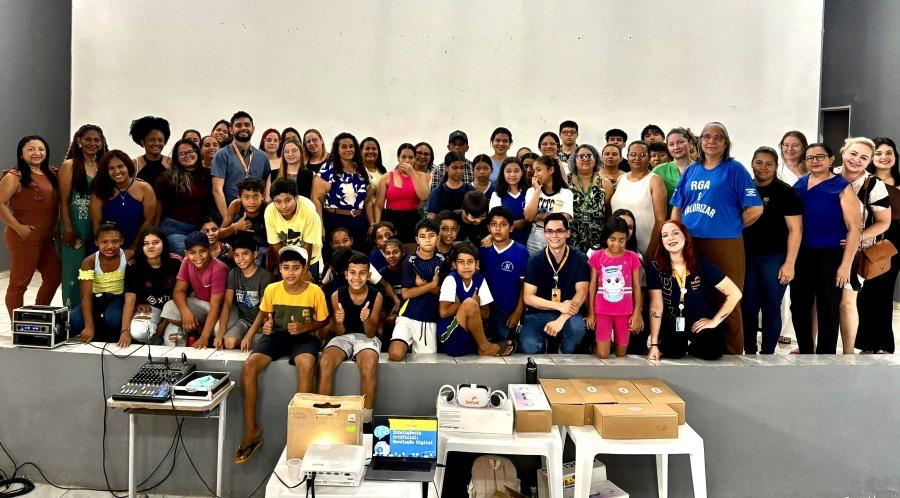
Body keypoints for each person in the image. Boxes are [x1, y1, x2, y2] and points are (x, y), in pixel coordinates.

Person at [671, 122, 763, 354]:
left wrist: (732, 225)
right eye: (707, 136)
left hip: (724, 242)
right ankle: (702, 346)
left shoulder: (735, 169)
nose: (711, 141)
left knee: (727, 296)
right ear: (699, 141)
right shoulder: (691, 170)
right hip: (691, 242)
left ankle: (733, 351)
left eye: (718, 137)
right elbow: (677, 207)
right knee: (695, 295)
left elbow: (755, 208)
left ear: (726, 143)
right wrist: (676, 234)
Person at [236, 245, 328, 464]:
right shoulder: (272, 289)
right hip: (277, 336)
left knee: (306, 365)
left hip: (304, 337)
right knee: (249, 367)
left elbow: (324, 320)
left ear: (304, 269)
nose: (290, 273)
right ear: (280, 268)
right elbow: (265, 315)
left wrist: (304, 327)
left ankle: (302, 431)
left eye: (296, 268)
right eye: (286, 268)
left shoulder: (315, 291)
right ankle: (251, 430)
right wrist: (259, 329)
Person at [791, 143, 860, 354]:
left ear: (831, 160)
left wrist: (845, 266)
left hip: (830, 255)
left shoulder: (841, 186)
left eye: (820, 157)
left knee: (828, 308)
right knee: (799, 306)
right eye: (810, 158)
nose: (815, 161)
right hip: (802, 254)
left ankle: (826, 356)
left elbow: (854, 229)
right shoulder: (799, 186)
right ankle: (805, 351)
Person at [646, 220, 741, 361]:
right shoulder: (655, 267)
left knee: (712, 352)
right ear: (662, 241)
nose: (670, 238)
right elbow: (656, 307)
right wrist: (654, 345)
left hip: (698, 322)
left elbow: (735, 293)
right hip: (673, 323)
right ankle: (679, 346)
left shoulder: (700, 263)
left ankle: (691, 346)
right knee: (672, 353)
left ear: (685, 237)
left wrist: (713, 321)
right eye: (665, 235)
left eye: (675, 233)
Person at [741, 147, 802, 354]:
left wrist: (789, 263)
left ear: (776, 167)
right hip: (747, 257)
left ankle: (768, 353)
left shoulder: (785, 192)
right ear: (752, 163)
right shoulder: (744, 188)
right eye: (759, 162)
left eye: (769, 164)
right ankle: (749, 351)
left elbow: (795, 230)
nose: (763, 167)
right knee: (748, 306)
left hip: (775, 257)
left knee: (770, 306)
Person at [836, 137, 891, 354]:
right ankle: (810, 348)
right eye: (853, 153)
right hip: (824, 247)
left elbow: (884, 222)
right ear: (843, 151)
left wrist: (857, 237)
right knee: (818, 301)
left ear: (869, 161)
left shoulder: (873, 184)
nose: (857, 160)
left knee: (847, 302)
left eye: (864, 157)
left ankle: (848, 353)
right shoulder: (829, 174)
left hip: (857, 251)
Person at [318, 252, 384, 423]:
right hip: (345, 337)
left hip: (366, 337)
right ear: (346, 274)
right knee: (326, 361)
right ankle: (324, 415)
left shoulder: (376, 296)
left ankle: (366, 420)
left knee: (368, 363)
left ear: (368, 275)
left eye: (362, 273)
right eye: (353, 273)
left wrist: (366, 320)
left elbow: (371, 333)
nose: (357, 278)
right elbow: (340, 333)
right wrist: (338, 321)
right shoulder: (336, 295)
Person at [1, 135, 60, 319]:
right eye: (31, 149)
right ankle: (18, 326)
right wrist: (19, 228)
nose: (37, 153)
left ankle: (38, 316)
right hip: (23, 237)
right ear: (21, 153)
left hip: (46, 238)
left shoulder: (52, 173)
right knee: (19, 283)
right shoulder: (14, 176)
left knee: (54, 275)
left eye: (41, 149)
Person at [520, 214, 588, 353]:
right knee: (529, 344)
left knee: (577, 328)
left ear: (568, 233)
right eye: (549, 231)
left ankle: (563, 352)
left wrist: (561, 319)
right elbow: (528, 297)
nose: (554, 235)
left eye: (559, 231)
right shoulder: (535, 260)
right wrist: (559, 306)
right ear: (544, 234)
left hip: (569, 314)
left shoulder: (580, 258)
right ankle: (542, 353)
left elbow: (582, 292)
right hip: (540, 313)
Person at [857, 137, 900, 353]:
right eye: (879, 153)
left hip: (896, 242)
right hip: (873, 238)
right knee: (866, 292)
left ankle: (883, 343)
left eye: (889, 153)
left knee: (885, 292)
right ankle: (867, 343)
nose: (884, 157)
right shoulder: (866, 181)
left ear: (895, 156)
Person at [59, 124, 107, 307]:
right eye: (88, 139)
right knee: (74, 271)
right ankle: (72, 313)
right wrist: (68, 228)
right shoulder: (70, 165)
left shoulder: (103, 166)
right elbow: (63, 200)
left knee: (95, 271)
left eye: (97, 140)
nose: (92, 143)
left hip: (97, 224)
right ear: (79, 141)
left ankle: (93, 314)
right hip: (75, 225)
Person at [438, 242, 515, 356]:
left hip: (469, 339)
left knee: (471, 305)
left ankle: (482, 347)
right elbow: (443, 312)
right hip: (450, 338)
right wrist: (467, 304)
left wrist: (471, 307)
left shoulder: (480, 279)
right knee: (470, 303)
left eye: (470, 261)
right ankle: (485, 347)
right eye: (461, 262)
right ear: (454, 265)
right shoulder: (451, 280)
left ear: (477, 264)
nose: (466, 266)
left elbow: (486, 313)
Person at [159, 231, 229, 347]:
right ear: (186, 253)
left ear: (210, 250)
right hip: (202, 305)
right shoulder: (187, 261)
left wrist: (204, 338)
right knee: (169, 307)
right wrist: (186, 313)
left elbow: (216, 306)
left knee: (218, 331)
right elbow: (178, 291)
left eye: (203, 251)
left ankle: (204, 332)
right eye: (192, 252)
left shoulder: (218, 268)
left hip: (221, 309)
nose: (198, 256)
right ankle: (199, 327)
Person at [388, 219, 445, 361]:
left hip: (428, 320)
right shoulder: (410, 261)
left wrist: (421, 284)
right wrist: (431, 285)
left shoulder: (442, 261)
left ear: (438, 237)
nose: (427, 240)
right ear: (417, 239)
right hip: (407, 316)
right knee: (395, 353)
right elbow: (406, 293)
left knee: (425, 364)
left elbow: (442, 293)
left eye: (431, 235)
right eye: (422, 236)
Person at [586, 217, 643, 358]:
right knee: (603, 354)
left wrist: (636, 313)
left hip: (625, 312)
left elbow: (637, 287)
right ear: (606, 237)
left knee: (621, 353)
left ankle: (607, 343)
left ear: (627, 238)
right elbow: (592, 285)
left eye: (621, 239)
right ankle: (596, 345)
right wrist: (591, 312)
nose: (616, 243)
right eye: (612, 239)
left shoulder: (632, 257)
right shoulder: (597, 256)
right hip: (602, 311)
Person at [118, 228, 182, 347]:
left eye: (156, 242)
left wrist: (163, 324)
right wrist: (125, 331)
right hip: (151, 308)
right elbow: (130, 300)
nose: (151, 246)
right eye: (146, 243)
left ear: (163, 243)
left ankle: (164, 337)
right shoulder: (134, 265)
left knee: (176, 342)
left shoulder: (176, 261)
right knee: (138, 332)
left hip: (174, 309)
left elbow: (182, 294)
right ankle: (157, 340)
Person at [69, 223, 132, 343]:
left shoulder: (128, 256)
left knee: (113, 318)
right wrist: (89, 326)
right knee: (73, 321)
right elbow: (86, 296)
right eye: (104, 242)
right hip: (96, 298)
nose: (110, 246)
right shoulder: (89, 262)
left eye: (115, 241)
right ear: (96, 242)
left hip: (118, 297)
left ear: (122, 241)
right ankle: (94, 327)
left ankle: (106, 332)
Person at [155, 139, 213, 255]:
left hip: (201, 229)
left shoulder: (208, 174)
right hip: (174, 228)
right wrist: (155, 231)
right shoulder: (167, 178)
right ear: (176, 158)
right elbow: (158, 206)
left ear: (197, 152)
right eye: (182, 153)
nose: (187, 155)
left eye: (190, 151)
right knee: (187, 255)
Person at [90, 150, 156, 252]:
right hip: (106, 248)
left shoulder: (145, 188)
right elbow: (96, 225)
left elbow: (149, 221)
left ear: (128, 166)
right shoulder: (100, 190)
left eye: (120, 166)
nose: (117, 171)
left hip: (137, 246)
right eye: (111, 168)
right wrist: (107, 249)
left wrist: (133, 249)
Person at [479, 207, 529, 341]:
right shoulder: (483, 250)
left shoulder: (521, 252)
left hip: (507, 312)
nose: (498, 228)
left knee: (505, 345)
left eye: (503, 224)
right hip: (486, 309)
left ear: (511, 228)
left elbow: (525, 286)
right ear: (488, 228)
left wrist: (518, 312)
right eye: (493, 224)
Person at [211, 111, 272, 219]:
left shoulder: (262, 157)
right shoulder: (222, 154)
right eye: (238, 125)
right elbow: (217, 190)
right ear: (231, 129)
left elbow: (265, 185)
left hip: (257, 217)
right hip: (231, 217)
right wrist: (228, 221)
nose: (243, 128)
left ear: (253, 128)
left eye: (247, 125)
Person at [216, 236, 273, 350]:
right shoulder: (233, 273)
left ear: (255, 254)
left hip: (261, 322)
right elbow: (227, 304)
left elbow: (264, 309)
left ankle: (250, 338)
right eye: (236, 255)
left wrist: (249, 335)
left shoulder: (264, 276)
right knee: (228, 343)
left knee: (257, 344)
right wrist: (220, 335)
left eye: (245, 254)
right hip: (244, 321)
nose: (241, 258)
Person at [610, 141, 668, 255]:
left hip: (645, 247)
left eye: (642, 155)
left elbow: (661, 220)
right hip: (618, 246)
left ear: (649, 158)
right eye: (633, 154)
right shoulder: (620, 179)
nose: (637, 158)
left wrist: (651, 252)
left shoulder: (655, 181)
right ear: (627, 157)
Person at [319, 132, 373, 252]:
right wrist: (320, 226)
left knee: (359, 258)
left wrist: (372, 223)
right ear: (337, 149)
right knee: (336, 259)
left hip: (358, 222)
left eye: (351, 146)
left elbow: (368, 200)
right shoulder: (328, 168)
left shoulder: (361, 169)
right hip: (335, 221)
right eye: (344, 147)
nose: (348, 149)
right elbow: (316, 199)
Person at [265, 177, 323, 277]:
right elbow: (275, 244)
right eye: (278, 202)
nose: (283, 206)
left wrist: (305, 270)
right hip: (287, 257)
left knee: (308, 282)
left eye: (287, 200)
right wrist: (284, 266)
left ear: (296, 198)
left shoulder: (308, 210)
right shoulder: (270, 212)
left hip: (310, 257)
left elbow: (308, 244)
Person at [374, 143, 430, 243]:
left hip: (412, 218)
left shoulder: (422, 176)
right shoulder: (387, 177)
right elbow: (378, 205)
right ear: (398, 158)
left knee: (411, 248)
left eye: (410, 157)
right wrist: (377, 226)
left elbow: (424, 197)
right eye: (403, 157)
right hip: (390, 219)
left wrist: (412, 173)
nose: (407, 160)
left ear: (415, 159)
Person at [567, 144, 613, 252]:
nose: (585, 159)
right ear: (574, 160)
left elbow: (608, 215)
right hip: (570, 239)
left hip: (597, 241)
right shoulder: (565, 181)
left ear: (596, 159)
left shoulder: (605, 184)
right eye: (581, 156)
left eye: (589, 156)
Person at [523, 155, 574, 254]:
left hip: (557, 236)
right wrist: (537, 191)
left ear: (551, 170)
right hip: (535, 236)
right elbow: (529, 217)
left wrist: (538, 216)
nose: (535, 174)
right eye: (534, 171)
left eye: (539, 170)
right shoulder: (531, 191)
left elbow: (563, 219)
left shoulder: (566, 193)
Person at [219, 177, 269, 267]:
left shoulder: (268, 209)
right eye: (246, 197)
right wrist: (235, 227)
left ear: (263, 196)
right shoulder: (236, 205)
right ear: (239, 197)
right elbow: (220, 235)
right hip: (242, 249)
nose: (251, 202)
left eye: (255, 196)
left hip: (264, 248)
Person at [273, 137, 328, 217]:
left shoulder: (310, 174)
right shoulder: (273, 174)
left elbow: (316, 202)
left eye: (294, 151)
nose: (290, 154)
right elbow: (268, 201)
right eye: (286, 151)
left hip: (304, 217)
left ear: (301, 152)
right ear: (283, 154)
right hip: (279, 218)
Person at [489, 157, 530, 245]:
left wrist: (525, 222)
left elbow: (531, 218)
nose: (512, 174)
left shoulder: (529, 192)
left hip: (529, 240)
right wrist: (520, 223)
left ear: (522, 172)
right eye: (508, 171)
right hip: (504, 241)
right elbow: (495, 220)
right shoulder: (497, 195)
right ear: (503, 173)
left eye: (516, 171)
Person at [653, 128, 694, 206]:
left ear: (690, 144)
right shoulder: (658, 171)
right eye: (671, 144)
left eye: (680, 142)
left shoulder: (702, 169)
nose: (676, 147)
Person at [427, 152, 473, 218]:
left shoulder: (470, 190)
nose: (459, 171)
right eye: (455, 168)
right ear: (446, 167)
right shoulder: (437, 192)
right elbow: (432, 216)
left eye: (462, 167)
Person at [130, 115, 172, 186]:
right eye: (151, 140)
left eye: (160, 140)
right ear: (142, 142)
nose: (157, 143)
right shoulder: (135, 164)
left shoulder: (171, 163)